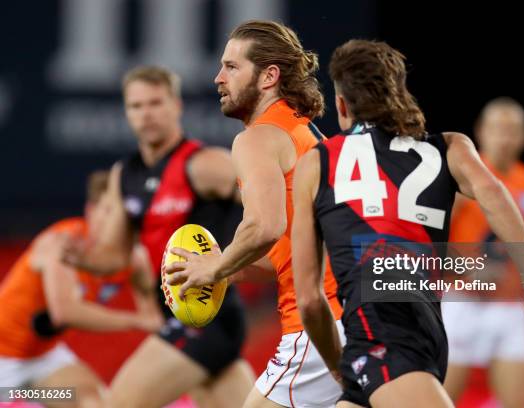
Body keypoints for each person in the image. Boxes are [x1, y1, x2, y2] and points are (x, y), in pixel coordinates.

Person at [290, 39, 524, 408]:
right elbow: (498, 200)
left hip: (376, 329)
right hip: (406, 327)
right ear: (400, 93)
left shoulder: (316, 163)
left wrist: (340, 366)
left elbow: (308, 299)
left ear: (341, 104)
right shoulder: (450, 147)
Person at [165, 20, 345, 408]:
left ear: (269, 76)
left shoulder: (256, 139)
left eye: (231, 67)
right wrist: (227, 267)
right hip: (353, 315)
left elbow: (265, 225)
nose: (218, 78)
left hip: (316, 325)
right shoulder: (311, 135)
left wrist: (212, 269)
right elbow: (290, 248)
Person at [63, 66, 254, 408]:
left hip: (210, 316)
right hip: (178, 315)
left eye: (155, 103)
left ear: (176, 106)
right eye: (136, 106)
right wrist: (84, 258)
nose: (146, 114)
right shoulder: (124, 175)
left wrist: (239, 256)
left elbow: (270, 206)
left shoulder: (205, 164)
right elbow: (115, 256)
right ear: (126, 111)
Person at [442, 97, 524, 407]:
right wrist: (468, 270)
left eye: (512, 131)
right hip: (462, 303)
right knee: (440, 401)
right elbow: (436, 240)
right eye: (498, 129)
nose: (505, 138)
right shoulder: (462, 177)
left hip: (509, 306)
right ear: (481, 132)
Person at [0, 170, 162, 407]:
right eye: (107, 211)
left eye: (122, 215)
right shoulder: (65, 242)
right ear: (90, 211)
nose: (115, 223)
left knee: (94, 403)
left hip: (44, 362)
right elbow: (64, 312)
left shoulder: (134, 259)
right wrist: (138, 320)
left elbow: (154, 320)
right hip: (3, 359)